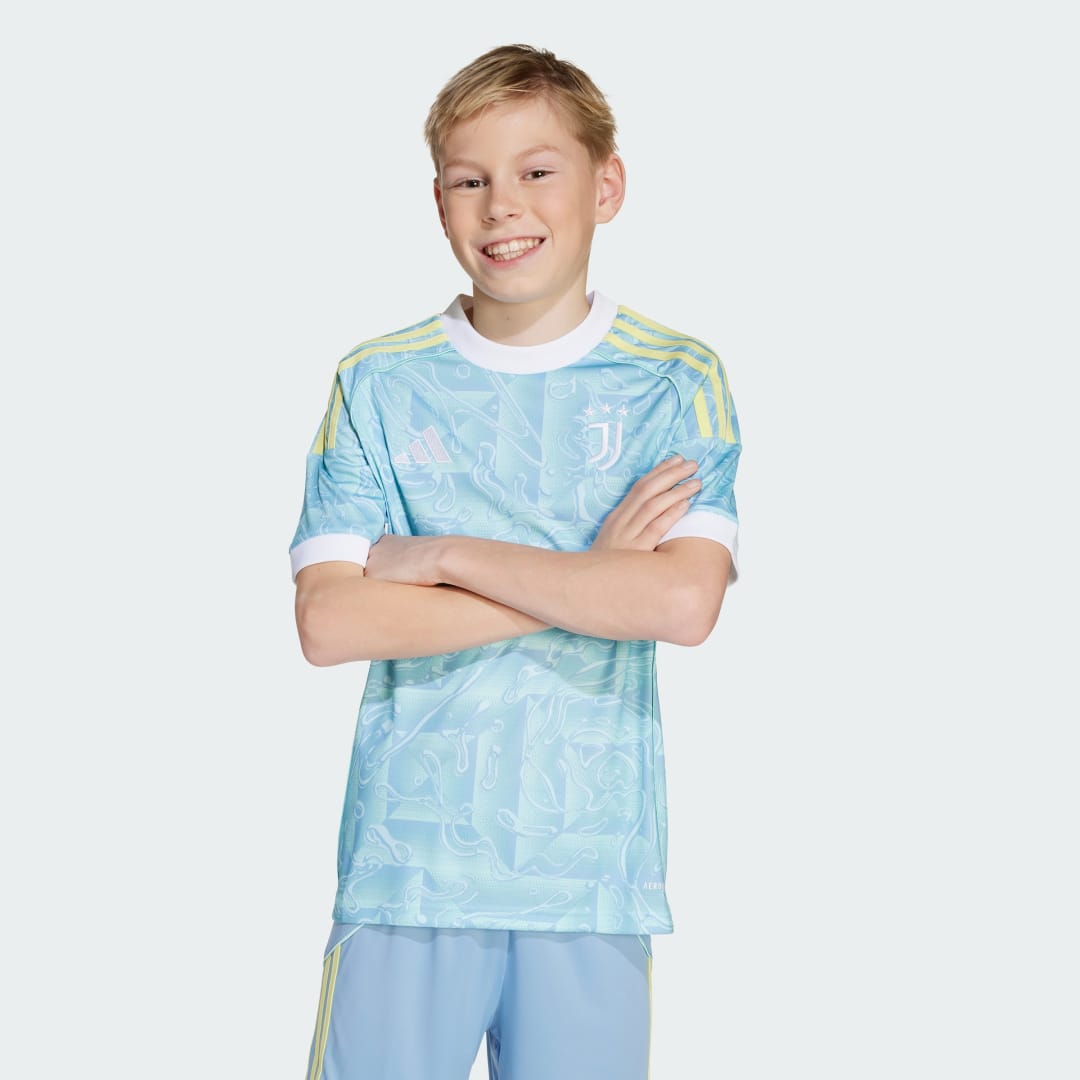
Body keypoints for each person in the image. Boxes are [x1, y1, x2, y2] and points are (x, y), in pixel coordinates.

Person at [289, 43, 741, 1080]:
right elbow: (330, 622)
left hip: (591, 881)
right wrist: (592, 581)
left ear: (605, 186)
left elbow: (681, 602)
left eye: (538, 171)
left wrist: (443, 556)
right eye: (470, 180)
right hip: (405, 876)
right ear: (439, 201)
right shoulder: (378, 383)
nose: (503, 206)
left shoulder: (674, 381)